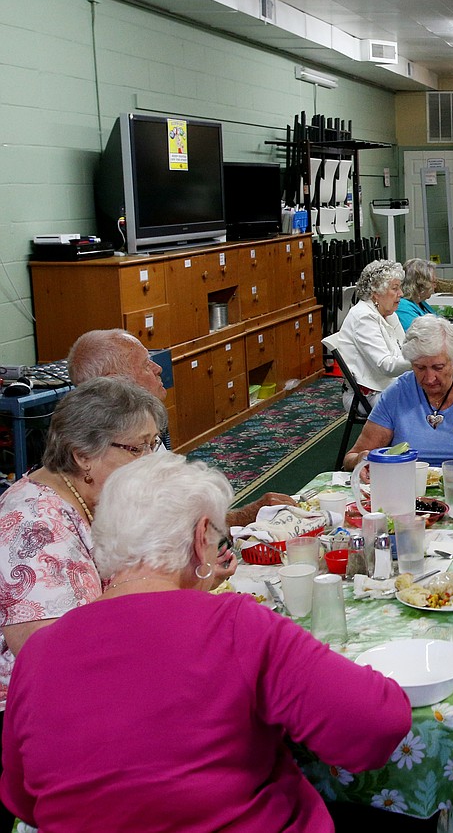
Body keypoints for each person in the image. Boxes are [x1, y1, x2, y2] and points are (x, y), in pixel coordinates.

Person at [0, 452, 412, 831]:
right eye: (220, 539)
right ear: (201, 538)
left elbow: (22, 798)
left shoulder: (40, 651)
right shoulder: (233, 623)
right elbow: (377, 725)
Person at [0, 378, 173, 829]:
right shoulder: (34, 525)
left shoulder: (87, 497)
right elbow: (49, 660)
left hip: (90, 682)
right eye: (138, 449)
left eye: (153, 444)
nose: (151, 460)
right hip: (33, 715)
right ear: (83, 455)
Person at [68, 329, 297, 526]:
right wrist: (241, 518)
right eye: (145, 365)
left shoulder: (137, 430)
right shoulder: (112, 453)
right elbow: (164, 529)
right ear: (114, 382)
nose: (158, 368)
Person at [343, 315, 453, 473]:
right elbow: (351, 458)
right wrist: (360, 461)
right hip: (408, 487)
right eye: (420, 368)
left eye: (438, 367)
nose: (430, 379)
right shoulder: (397, 393)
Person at [326, 259, 410, 411]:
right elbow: (386, 366)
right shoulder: (363, 317)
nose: (401, 293)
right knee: (429, 400)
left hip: (389, 386)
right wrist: (422, 359)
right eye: (395, 288)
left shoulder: (388, 314)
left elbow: (405, 348)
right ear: (376, 293)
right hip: (368, 396)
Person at [396, 258, 437, 332]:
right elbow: (419, 335)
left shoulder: (421, 303)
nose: (435, 286)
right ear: (421, 284)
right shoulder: (402, 306)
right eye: (433, 283)